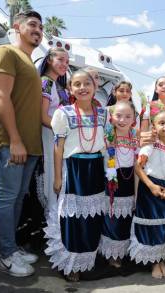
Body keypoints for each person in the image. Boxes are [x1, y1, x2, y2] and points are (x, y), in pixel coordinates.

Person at [0, 11, 43, 277]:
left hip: (29, 145)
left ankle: (10, 246)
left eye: (41, 27)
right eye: (32, 24)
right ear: (16, 27)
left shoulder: (29, 62)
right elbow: (0, 95)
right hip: (11, 142)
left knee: (18, 198)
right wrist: (15, 139)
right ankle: (4, 254)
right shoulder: (5, 52)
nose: (38, 30)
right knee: (6, 198)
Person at [44, 69, 107, 282]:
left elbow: (108, 146)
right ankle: (71, 264)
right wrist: (57, 177)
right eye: (77, 84)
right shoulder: (64, 113)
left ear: (94, 87)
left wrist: (111, 172)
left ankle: (87, 259)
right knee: (71, 218)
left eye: (86, 83)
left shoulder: (103, 114)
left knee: (93, 217)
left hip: (97, 168)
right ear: (70, 89)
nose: (82, 88)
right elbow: (58, 148)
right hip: (74, 169)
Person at [131, 110, 165, 279]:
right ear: (154, 127)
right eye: (161, 123)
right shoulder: (150, 146)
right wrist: (152, 186)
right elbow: (138, 167)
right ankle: (153, 262)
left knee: (163, 225)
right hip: (150, 188)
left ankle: (161, 259)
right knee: (150, 225)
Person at [100, 101, 138, 267]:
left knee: (126, 219)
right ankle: (112, 253)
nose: (122, 120)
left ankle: (123, 251)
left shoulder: (135, 135)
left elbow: (138, 164)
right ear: (111, 117)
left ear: (134, 119)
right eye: (118, 116)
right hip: (111, 180)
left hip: (129, 179)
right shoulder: (107, 135)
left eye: (128, 116)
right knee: (112, 218)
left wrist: (137, 192)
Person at [37, 47, 69, 219]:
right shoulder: (47, 82)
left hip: (58, 138)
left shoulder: (59, 85)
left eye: (67, 61)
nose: (65, 64)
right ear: (49, 60)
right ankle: (51, 226)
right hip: (49, 137)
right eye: (61, 60)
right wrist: (63, 131)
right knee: (51, 176)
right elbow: (42, 116)